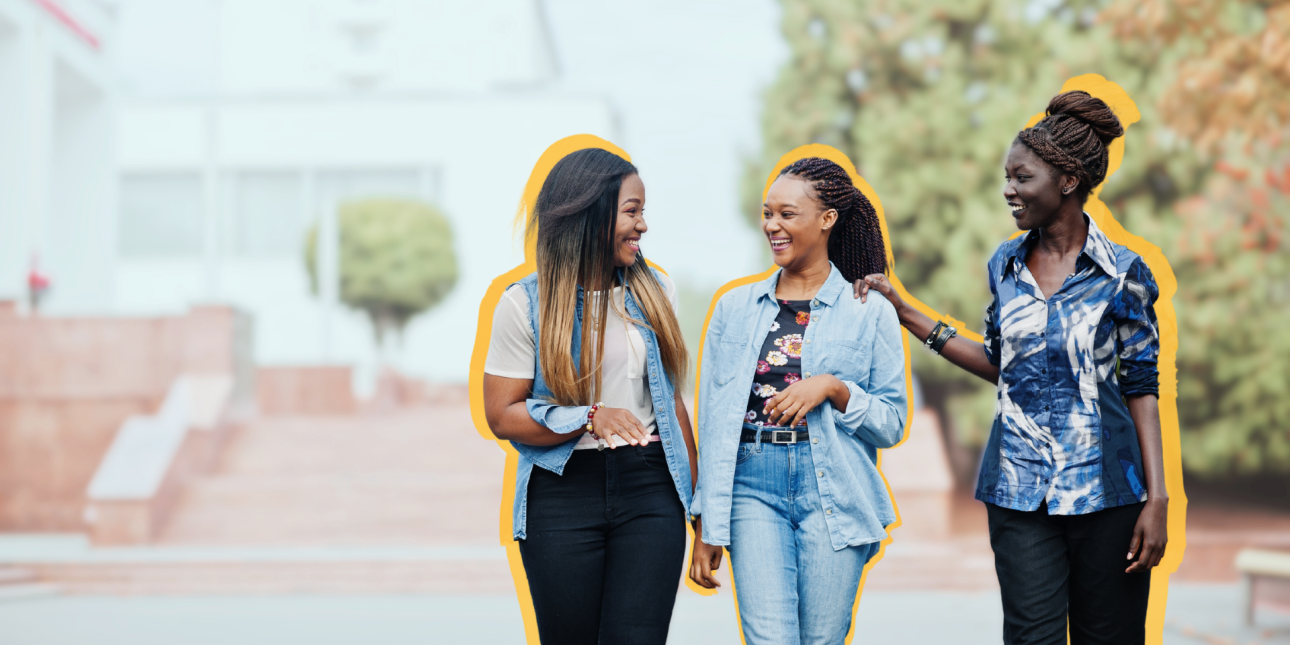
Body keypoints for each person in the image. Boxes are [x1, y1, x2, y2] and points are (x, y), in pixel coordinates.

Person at [857, 90, 1168, 645]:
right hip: (1019, 490)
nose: (1009, 189)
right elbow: (1002, 364)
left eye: (1022, 177)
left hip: (1109, 493)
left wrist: (1159, 498)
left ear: (1067, 181)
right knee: (1030, 638)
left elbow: (1143, 386)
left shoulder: (1124, 272)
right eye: (1007, 176)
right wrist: (906, 312)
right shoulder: (1005, 264)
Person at [482, 148, 697, 645]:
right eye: (632, 211)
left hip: (650, 488)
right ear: (591, 213)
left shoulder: (655, 290)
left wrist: (699, 508)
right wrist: (587, 418)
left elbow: (672, 402)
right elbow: (501, 414)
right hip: (562, 491)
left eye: (643, 211)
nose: (643, 225)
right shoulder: (523, 304)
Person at [689, 156, 908, 644]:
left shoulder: (870, 311)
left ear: (827, 219)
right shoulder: (733, 308)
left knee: (823, 640)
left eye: (787, 214)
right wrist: (706, 520)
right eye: (768, 214)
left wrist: (834, 387)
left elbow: (892, 423)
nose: (772, 226)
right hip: (752, 483)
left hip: (833, 484)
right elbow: (715, 423)